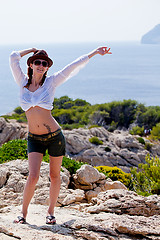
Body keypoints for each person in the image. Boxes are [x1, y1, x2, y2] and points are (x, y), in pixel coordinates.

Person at [9, 46, 112, 225]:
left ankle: (50, 212)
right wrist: (31, 49)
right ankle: (23, 214)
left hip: (54, 136)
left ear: (47, 67)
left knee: (54, 175)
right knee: (33, 176)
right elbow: (13, 57)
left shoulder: (51, 82)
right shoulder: (22, 82)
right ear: (31, 64)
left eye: (44, 63)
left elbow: (73, 66)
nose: (41, 65)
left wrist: (94, 53)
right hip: (34, 138)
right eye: (37, 62)